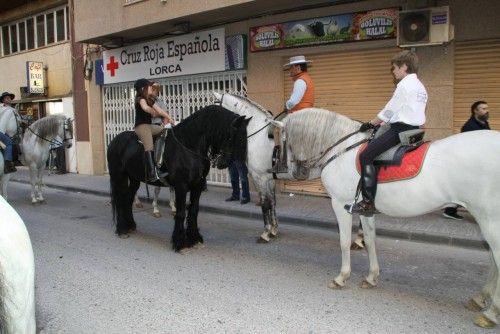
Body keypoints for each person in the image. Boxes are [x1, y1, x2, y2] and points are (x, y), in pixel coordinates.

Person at [348, 50, 428, 215]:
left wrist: (370, 123)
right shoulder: (420, 86)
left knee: (366, 156)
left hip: (401, 130)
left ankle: (368, 202)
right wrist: (384, 121)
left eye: (395, 68)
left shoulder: (404, 85)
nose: (393, 71)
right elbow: (406, 110)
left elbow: (390, 110)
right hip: (416, 129)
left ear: (404, 67)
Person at [443, 100, 490, 220]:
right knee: (472, 188)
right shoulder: (470, 127)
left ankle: (450, 210)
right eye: (483, 109)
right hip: (470, 163)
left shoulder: (484, 124)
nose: (487, 111)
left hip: (480, 162)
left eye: (487, 108)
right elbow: (467, 147)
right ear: (475, 111)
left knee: (469, 188)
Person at [269, 55, 315, 173]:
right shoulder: (306, 78)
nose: (290, 70)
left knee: (277, 130)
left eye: (291, 67)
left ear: (298, 67)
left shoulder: (300, 81)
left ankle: (282, 163)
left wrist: (287, 105)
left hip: (298, 114)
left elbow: (294, 101)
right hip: (305, 112)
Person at [134, 78, 175, 182]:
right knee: (149, 147)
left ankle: (162, 162)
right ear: (143, 88)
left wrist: (169, 118)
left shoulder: (150, 99)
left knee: (164, 131)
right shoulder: (141, 99)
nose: (151, 89)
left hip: (150, 126)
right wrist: (151, 111)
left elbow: (160, 110)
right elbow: (145, 108)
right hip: (142, 127)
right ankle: (152, 173)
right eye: (149, 87)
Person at [0, 92, 17, 173]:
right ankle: (8, 164)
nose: (9, 99)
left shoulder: (12, 109)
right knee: (8, 142)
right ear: (3, 100)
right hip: (1, 131)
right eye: (6, 98)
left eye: (9, 98)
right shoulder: (2, 108)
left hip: (7, 132)